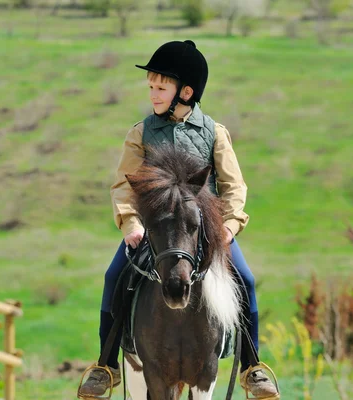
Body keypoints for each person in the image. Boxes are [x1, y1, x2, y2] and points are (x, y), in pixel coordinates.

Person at [78, 40, 279, 399]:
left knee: (245, 280)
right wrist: (131, 223)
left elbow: (234, 186)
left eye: (161, 87)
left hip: (206, 233)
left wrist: (230, 226)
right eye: (151, 87)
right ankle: (106, 365)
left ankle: (252, 366)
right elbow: (123, 186)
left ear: (185, 91)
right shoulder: (140, 133)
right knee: (114, 276)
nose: (153, 94)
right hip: (154, 232)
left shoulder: (214, 133)